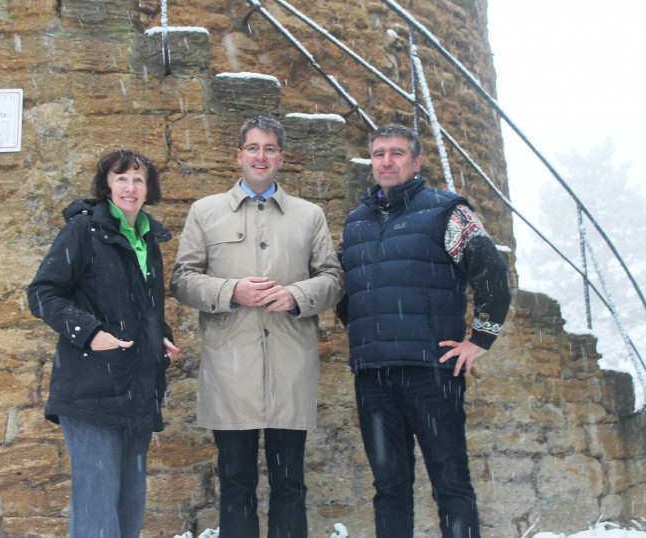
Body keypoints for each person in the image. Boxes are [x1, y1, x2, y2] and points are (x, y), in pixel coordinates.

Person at [170, 116, 345, 538]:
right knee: (235, 485)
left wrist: (296, 296)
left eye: (269, 148)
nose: (260, 156)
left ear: (281, 157)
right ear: (239, 155)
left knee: (289, 484)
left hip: (291, 365)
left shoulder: (309, 215)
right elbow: (181, 280)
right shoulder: (205, 212)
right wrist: (232, 291)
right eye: (253, 147)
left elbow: (334, 279)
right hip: (231, 370)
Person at [337, 124, 511, 538]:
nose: (387, 161)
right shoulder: (356, 222)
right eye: (379, 154)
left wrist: (480, 340)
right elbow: (349, 294)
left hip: (431, 373)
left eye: (397, 153)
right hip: (374, 377)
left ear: (416, 162)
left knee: (450, 484)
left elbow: (492, 272)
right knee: (388, 487)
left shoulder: (446, 211)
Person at [28, 150, 180, 538]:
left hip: (138, 389)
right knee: (97, 505)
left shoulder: (148, 237)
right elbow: (44, 294)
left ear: (150, 189)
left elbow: (140, 307)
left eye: (139, 179)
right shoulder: (83, 231)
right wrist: (90, 333)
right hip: (91, 390)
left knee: (129, 505)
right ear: (107, 186)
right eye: (122, 178)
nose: (131, 187)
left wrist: (160, 334)